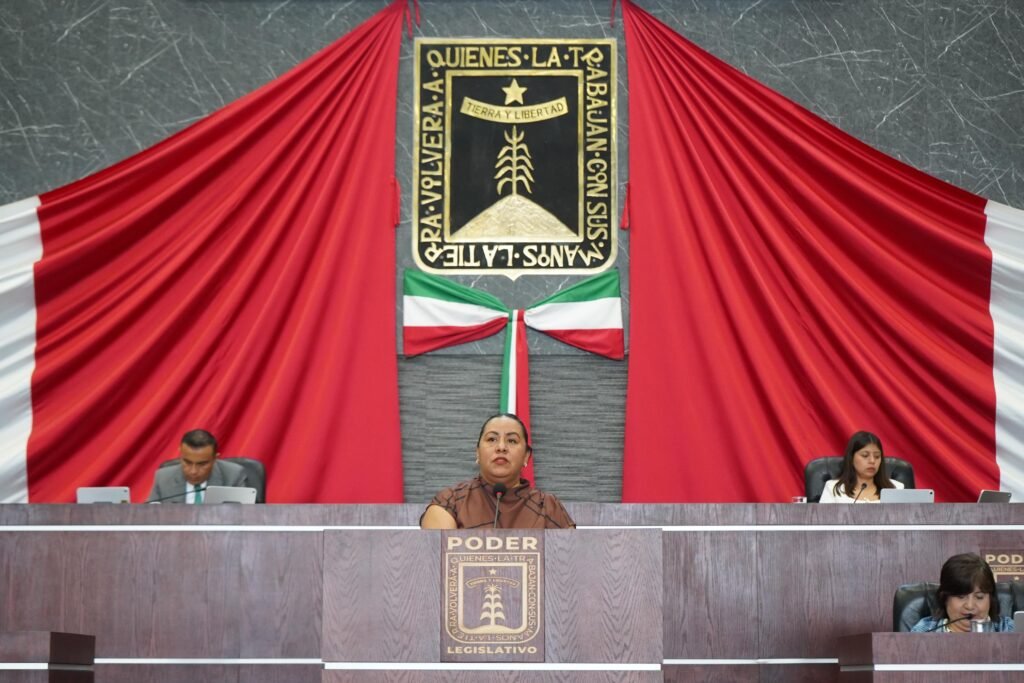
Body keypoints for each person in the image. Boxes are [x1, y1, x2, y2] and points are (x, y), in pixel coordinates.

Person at [420, 413, 575, 529]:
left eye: (512, 440)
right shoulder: (451, 501)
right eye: (492, 439)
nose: (501, 447)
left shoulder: (547, 506)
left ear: (526, 456)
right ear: (477, 453)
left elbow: (569, 559)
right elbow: (438, 558)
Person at [910, 553, 1015, 632]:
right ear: (945, 598)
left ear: (991, 599)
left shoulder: (1011, 630)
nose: (970, 606)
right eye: (961, 596)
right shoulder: (924, 632)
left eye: (979, 597)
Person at [146, 429, 248, 503]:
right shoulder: (163, 478)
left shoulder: (234, 476)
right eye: (187, 462)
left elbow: (242, 517)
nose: (193, 471)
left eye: (202, 464)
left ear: (215, 459)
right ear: (180, 454)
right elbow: (150, 515)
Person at [818, 431, 904, 503]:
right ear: (851, 458)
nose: (872, 461)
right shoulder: (833, 488)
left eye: (877, 456)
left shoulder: (896, 489)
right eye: (865, 455)